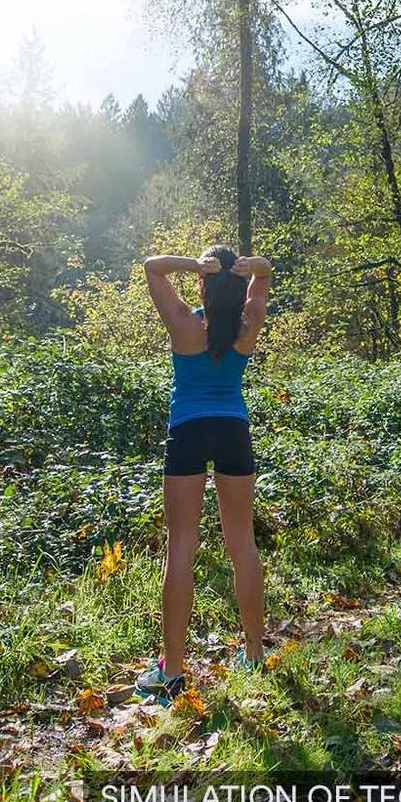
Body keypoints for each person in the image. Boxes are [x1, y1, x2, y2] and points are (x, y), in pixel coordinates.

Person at [133, 245, 271, 703]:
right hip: (232, 430)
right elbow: (265, 276)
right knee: (243, 544)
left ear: (201, 284)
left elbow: (152, 267)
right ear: (238, 283)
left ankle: (171, 672)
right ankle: (252, 656)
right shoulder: (246, 327)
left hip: (188, 432)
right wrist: (252, 269)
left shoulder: (186, 325)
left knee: (181, 549)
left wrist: (192, 264)